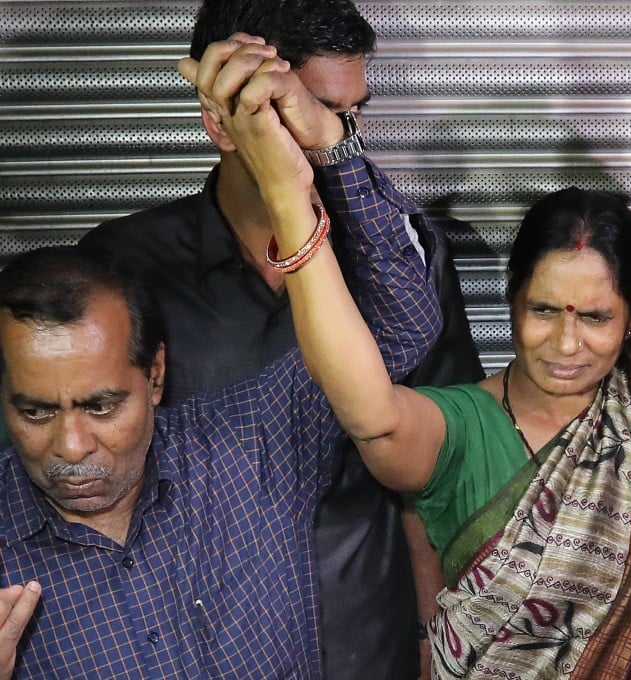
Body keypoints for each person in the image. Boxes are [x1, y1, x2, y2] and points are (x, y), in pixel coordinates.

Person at [180, 3, 631, 677]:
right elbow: (369, 411)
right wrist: (292, 201)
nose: (566, 342)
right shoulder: (465, 425)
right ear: (511, 304)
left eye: (596, 318)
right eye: (543, 311)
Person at [79, 0, 484, 676]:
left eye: (353, 117)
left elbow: (438, 474)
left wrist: (429, 640)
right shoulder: (122, 271)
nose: (339, 140)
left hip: (368, 644)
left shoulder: (399, 264)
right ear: (223, 121)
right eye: (311, 115)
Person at [0, 165, 439, 676]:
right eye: (36, 412)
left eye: (101, 407)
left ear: (155, 374)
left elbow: (403, 322)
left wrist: (325, 152)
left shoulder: (249, 446)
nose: (72, 447)